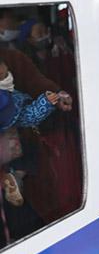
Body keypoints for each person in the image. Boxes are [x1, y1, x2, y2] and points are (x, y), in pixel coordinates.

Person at [0, 59, 62, 206]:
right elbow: (27, 117)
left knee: (27, 154)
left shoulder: (11, 95)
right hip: (9, 142)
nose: (2, 70)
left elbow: (27, 116)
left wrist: (45, 102)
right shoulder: (8, 98)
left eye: (3, 66)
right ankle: (12, 177)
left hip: (12, 143)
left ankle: (13, 177)